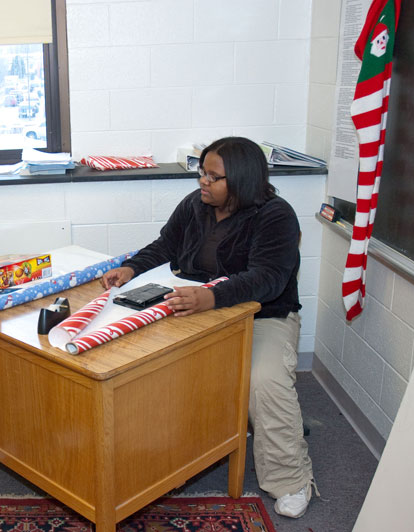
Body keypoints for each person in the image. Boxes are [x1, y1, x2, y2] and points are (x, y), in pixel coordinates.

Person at [101, 136, 316, 519]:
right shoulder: (195, 205)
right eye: (202, 172)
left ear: (242, 180)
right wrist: (131, 267)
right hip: (199, 306)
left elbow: (269, 279)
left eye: (213, 176)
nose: (203, 181)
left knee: (263, 382)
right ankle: (158, 461)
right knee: (144, 364)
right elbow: (165, 245)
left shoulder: (276, 215)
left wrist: (212, 298)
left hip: (261, 315)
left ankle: (290, 478)